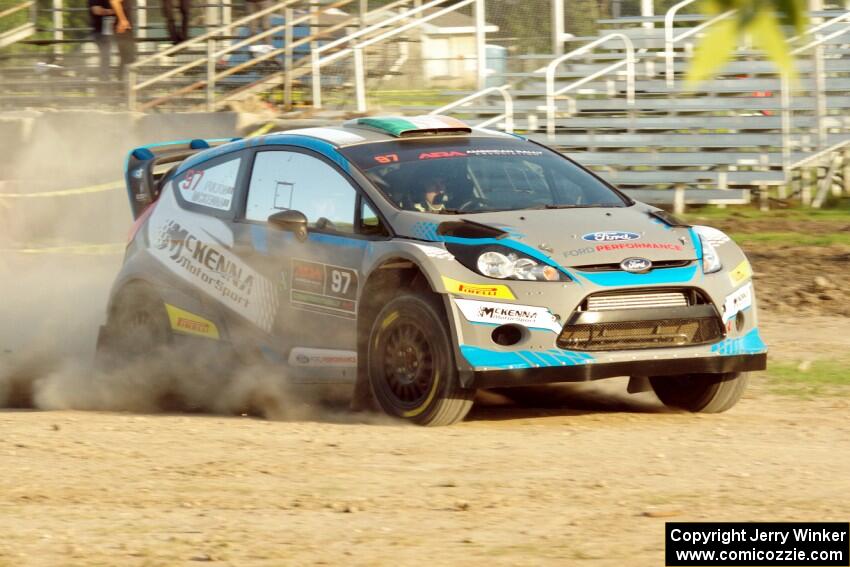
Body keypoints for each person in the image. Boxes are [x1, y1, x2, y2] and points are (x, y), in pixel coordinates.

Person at [89, 0, 136, 83]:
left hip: (113, 28)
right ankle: (105, 82)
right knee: (106, 54)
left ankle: (120, 80)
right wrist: (117, 13)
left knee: (124, 54)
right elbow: (96, 10)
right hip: (101, 30)